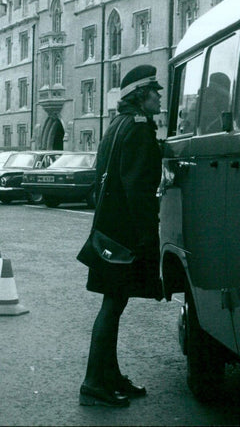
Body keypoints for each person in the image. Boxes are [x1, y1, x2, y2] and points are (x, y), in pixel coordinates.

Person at [80, 64, 164, 408]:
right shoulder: (139, 130)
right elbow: (139, 190)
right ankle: (93, 383)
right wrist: (147, 237)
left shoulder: (118, 125)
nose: (159, 96)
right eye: (154, 91)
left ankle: (109, 376)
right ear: (140, 96)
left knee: (114, 304)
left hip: (109, 231)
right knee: (113, 305)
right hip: (126, 236)